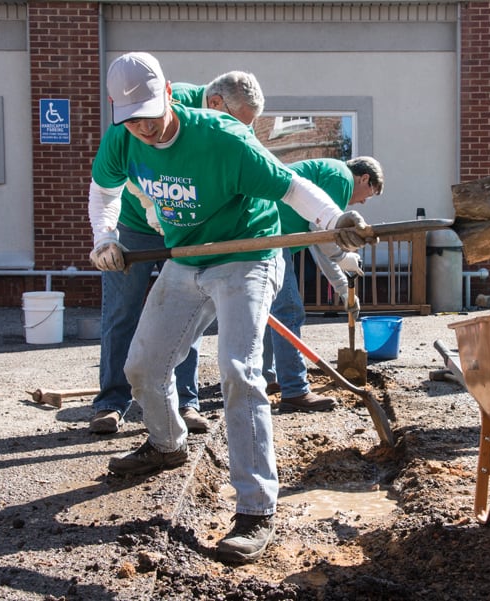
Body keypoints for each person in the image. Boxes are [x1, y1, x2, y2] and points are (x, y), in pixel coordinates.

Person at [87, 52, 372, 564]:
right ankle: (168, 444)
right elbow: (103, 190)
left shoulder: (222, 138)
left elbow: (292, 186)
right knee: (143, 367)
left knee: (240, 373)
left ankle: (256, 508)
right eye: (132, 120)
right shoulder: (123, 139)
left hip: (247, 257)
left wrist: (336, 221)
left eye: (151, 114)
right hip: (185, 257)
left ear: (171, 92)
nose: (144, 129)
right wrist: (105, 235)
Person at [89, 70, 265, 436]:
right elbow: (123, 179)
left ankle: (186, 402)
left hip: (188, 227)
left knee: (188, 310)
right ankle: (111, 402)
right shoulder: (163, 109)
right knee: (122, 309)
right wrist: (118, 231)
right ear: (216, 104)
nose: (238, 135)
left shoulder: (218, 128)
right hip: (135, 224)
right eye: (237, 123)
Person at [262, 157, 385, 411]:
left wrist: (342, 287)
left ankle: (268, 377)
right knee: (288, 312)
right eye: (368, 195)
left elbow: (320, 242)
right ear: (363, 178)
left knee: (270, 312)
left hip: (268, 233)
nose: (362, 201)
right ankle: (294, 390)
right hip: (270, 235)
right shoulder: (340, 177)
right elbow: (325, 236)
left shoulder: (329, 173)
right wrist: (342, 258)